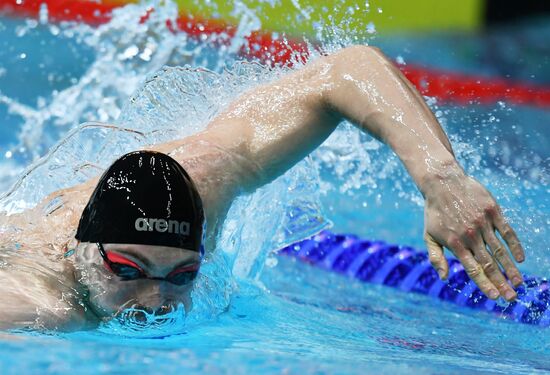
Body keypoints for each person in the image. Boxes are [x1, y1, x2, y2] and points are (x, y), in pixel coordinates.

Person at [0, 46, 525, 330]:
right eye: (129, 271)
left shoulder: (207, 176)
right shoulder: (37, 300)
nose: (155, 302)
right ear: (85, 251)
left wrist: (440, 176)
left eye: (183, 274)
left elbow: (344, 70)